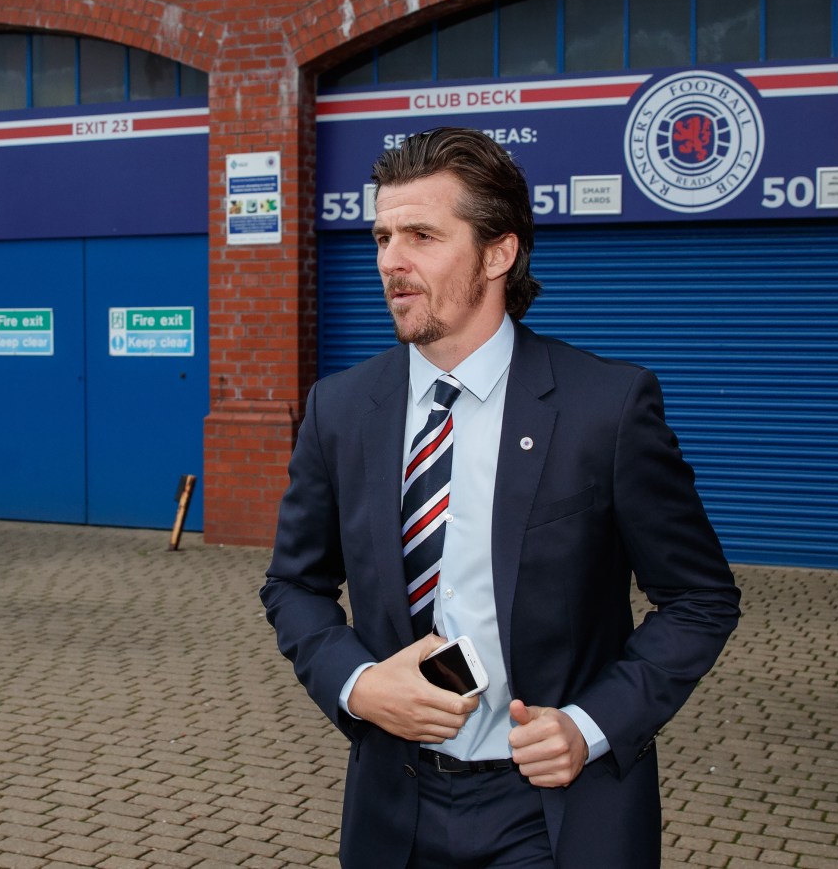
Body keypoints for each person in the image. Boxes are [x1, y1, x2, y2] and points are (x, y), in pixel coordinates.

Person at [261, 127, 740, 868]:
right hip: (396, 806)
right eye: (383, 235)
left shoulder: (604, 408)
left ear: (497, 253)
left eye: (421, 234)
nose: (391, 260)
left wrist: (591, 723)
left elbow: (699, 597)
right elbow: (294, 583)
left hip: (551, 813)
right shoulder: (340, 409)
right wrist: (357, 684)